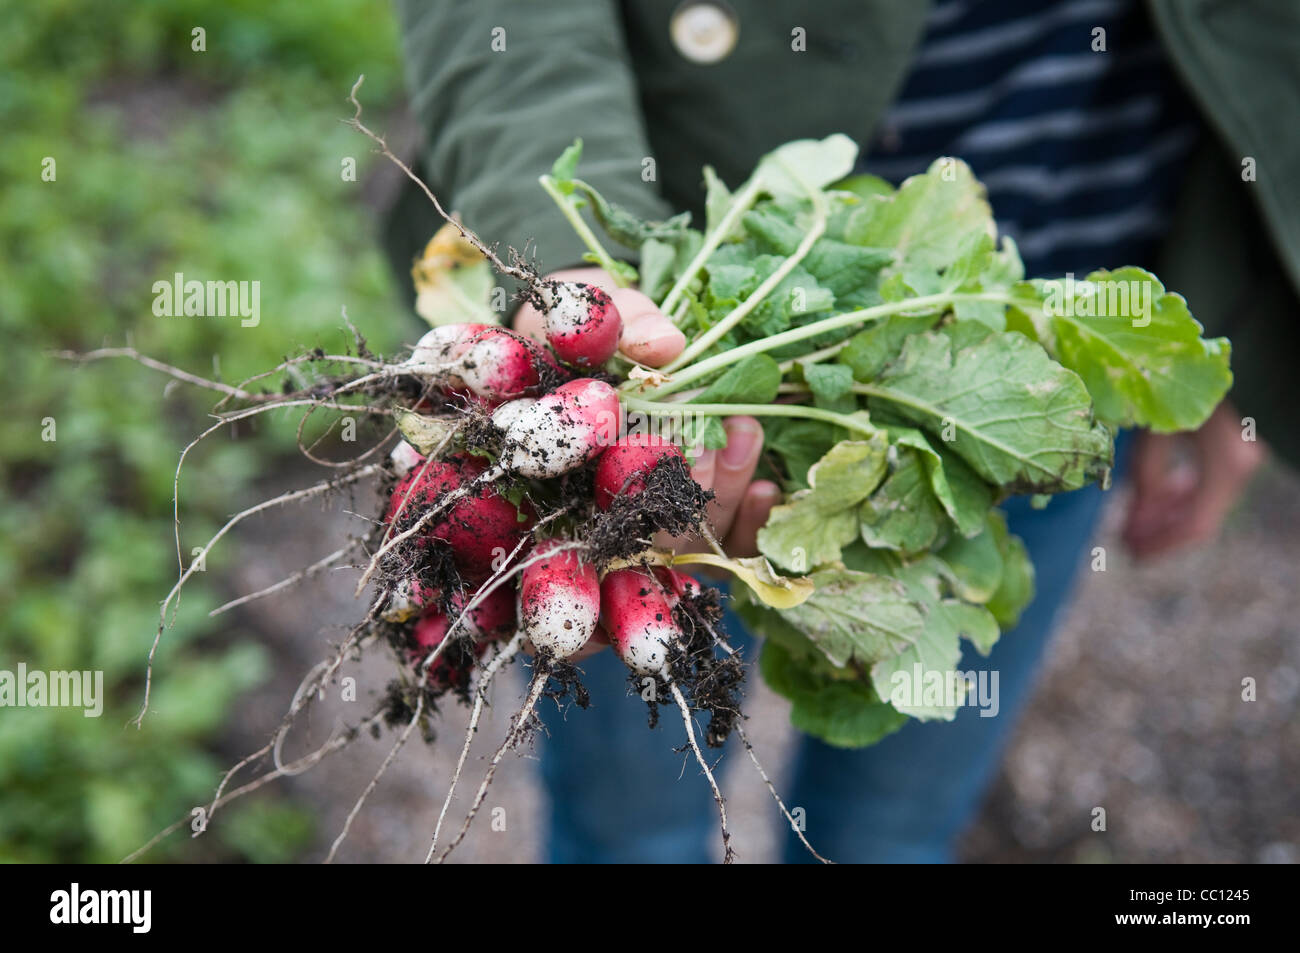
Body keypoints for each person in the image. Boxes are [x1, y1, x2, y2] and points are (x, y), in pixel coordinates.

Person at [386, 0, 1291, 862]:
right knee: (628, 830)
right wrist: (577, 270)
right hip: (659, 230)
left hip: (1037, 355)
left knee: (888, 836)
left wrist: (1237, 295)